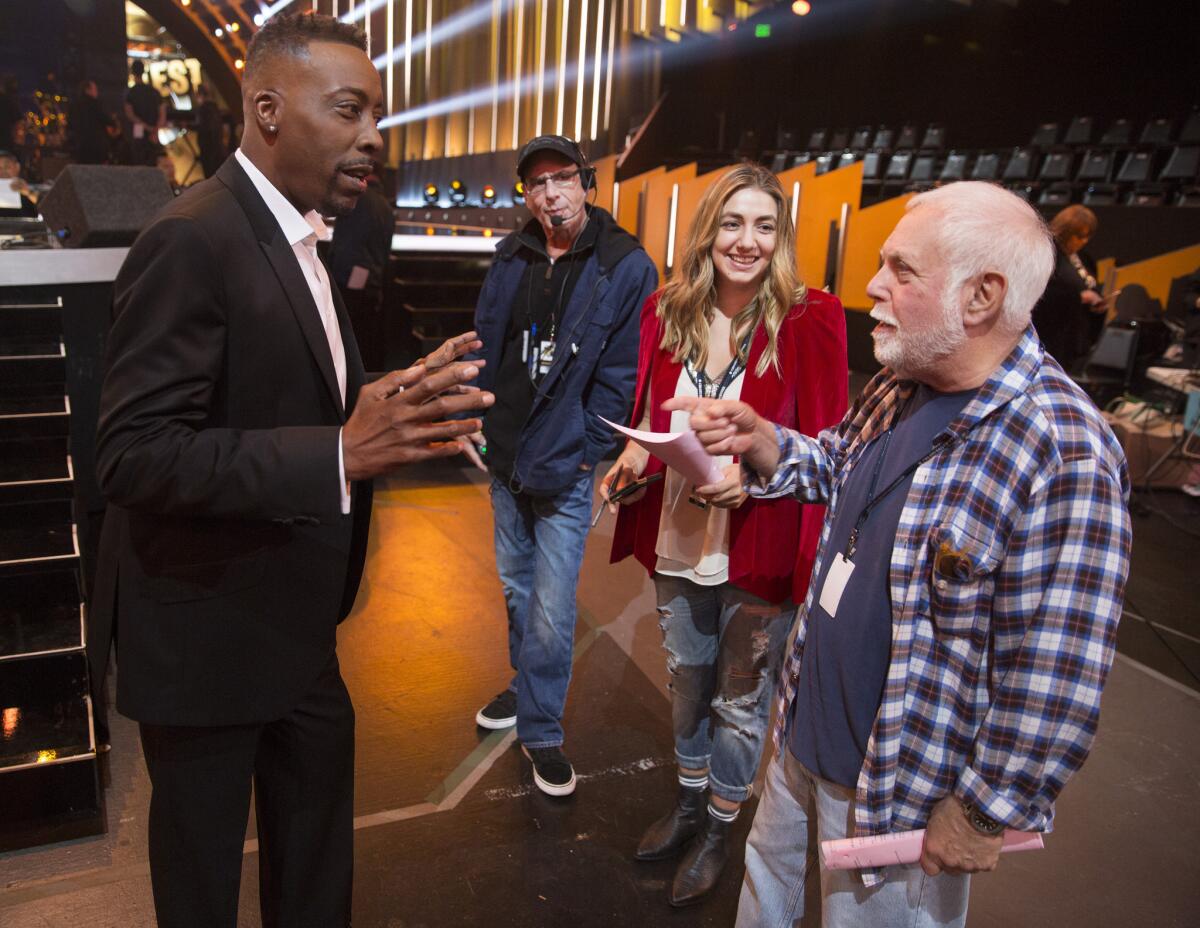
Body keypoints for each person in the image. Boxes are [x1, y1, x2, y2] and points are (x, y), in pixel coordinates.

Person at [89, 13, 492, 928]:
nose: (374, 139)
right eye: (349, 111)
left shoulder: (307, 236)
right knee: (200, 896)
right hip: (204, 645)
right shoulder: (191, 239)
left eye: (377, 115)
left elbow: (300, 401)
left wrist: (399, 396)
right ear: (267, 108)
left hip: (298, 632)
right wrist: (340, 452)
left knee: (316, 878)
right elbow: (132, 452)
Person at [671, 181, 1132, 928]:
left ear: (981, 296)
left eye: (902, 270)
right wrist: (763, 440)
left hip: (899, 791)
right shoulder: (899, 382)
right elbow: (833, 464)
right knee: (765, 898)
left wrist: (986, 812)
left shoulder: (1063, 448)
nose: (874, 287)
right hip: (800, 739)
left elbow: (1059, 668)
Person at [600, 163, 847, 906]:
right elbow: (651, 414)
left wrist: (759, 475)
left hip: (761, 540)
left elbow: (828, 443)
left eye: (764, 226)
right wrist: (632, 457)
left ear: (781, 238)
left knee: (742, 700)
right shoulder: (665, 309)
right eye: (733, 223)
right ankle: (688, 802)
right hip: (680, 533)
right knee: (686, 682)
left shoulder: (813, 317)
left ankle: (719, 826)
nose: (747, 241)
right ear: (708, 230)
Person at [465, 135, 657, 796]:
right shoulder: (511, 255)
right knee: (518, 591)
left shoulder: (625, 265)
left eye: (562, 179)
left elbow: (623, 377)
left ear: (587, 183)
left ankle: (542, 728)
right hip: (505, 454)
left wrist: (583, 452)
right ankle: (527, 689)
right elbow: (485, 349)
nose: (549, 193)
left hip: (566, 467)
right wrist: (474, 420)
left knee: (550, 607)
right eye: (536, 183)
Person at [328, 170, 394, 371]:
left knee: (351, 334)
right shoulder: (385, 205)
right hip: (372, 277)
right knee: (368, 336)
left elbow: (347, 245)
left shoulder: (357, 201)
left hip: (353, 276)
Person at [1031, 204, 1105, 372]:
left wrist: (1098, 301)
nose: (1084, 241)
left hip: (1077, 335)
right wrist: (1080, 297)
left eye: (1088, 236)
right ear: (1066, 230)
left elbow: (1091, 285)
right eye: (1079, 236)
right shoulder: (1048, 253)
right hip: (1053, 334)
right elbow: (1043, 292)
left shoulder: (1084, 257)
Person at [124, 59, 165, 166]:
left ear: (132, 72)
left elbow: (129, 114)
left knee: (139, 161)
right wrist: (155, 129)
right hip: (154, 134)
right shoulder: (154, 92)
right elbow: (162, 114)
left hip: (139, 132)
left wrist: (145, 126)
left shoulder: (131, 93)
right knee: (153, 162)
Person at [68, 79, 114, 164]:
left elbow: (70, 124)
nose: (97, 92)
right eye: (95, 89)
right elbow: (106, 119)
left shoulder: (74, 105)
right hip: (96, 146)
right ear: (88, 90)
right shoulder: (95, 104)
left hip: (81, 146)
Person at [193, 83, 227, 179]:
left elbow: (203, 127)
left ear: (200, 95)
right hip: (217, 148)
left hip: (208, 149)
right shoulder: (215, 108)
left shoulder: (203, 110)